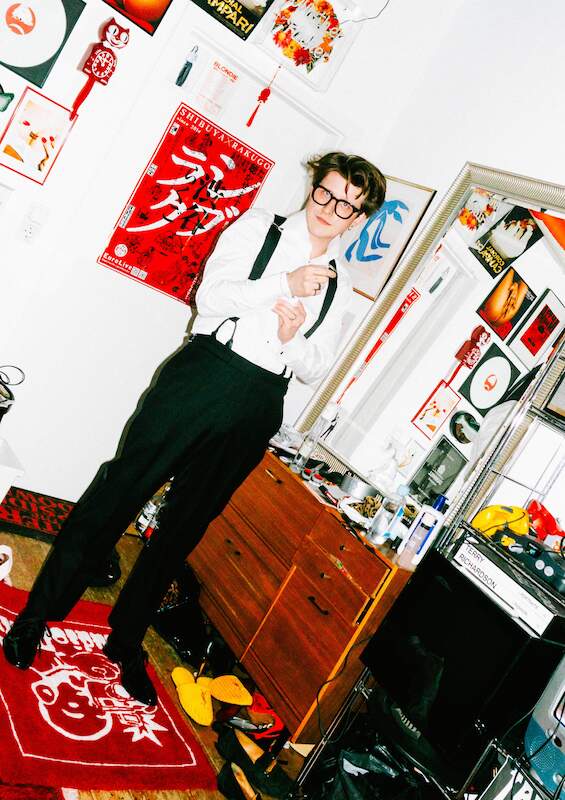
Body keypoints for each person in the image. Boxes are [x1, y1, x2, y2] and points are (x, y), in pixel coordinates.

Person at [2, 151, 386, 705]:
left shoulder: (341, 287)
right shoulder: (259, 229)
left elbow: (316, 365)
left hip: (260, 402)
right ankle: (37, 617)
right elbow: (209, 297)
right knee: (120, 490)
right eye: (326, 193)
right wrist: (282, 283)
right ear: (313, 187)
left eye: (347, 205)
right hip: (204, 374)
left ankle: (125, 640)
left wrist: (292, 340)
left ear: (359, 219)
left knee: (184, 527)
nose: (330, 209)